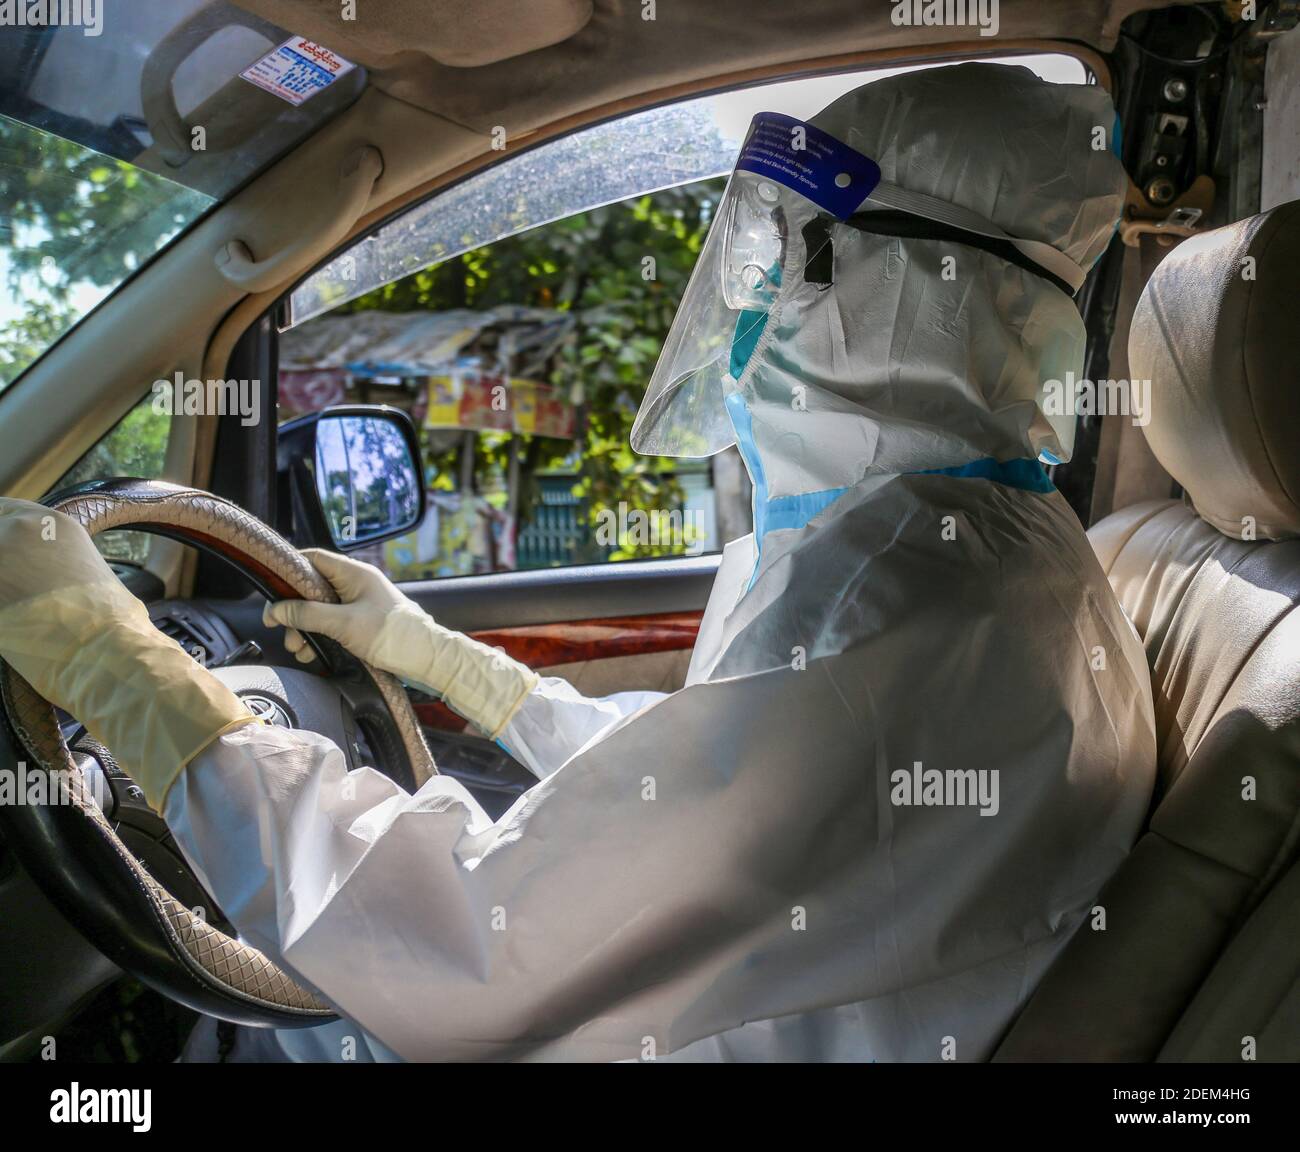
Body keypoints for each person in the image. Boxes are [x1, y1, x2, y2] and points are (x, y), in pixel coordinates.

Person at [0, 63, 1156, 1062]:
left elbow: (471, 944)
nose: (747, 311)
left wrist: (123, 670)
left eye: (794, 258)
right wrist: (456, 666)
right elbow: (706, 788)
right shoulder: (985, 555)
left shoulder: (903, 600)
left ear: (920, 285)